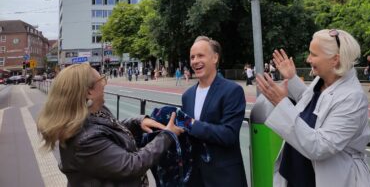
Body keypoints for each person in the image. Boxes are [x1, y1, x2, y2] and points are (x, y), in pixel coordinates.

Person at [256, 29, 370, 187]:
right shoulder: (324, 81)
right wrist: (291, 78)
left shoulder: (352, 98)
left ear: (335, 60)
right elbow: (313, 105)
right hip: (298, 176)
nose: (308, 59)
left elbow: (319, 147)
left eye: (314, 54)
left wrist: (280, 104)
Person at [36, 63, 184, 186]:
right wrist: (167, 135)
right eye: (101, 79)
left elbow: (110, 129)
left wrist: (137, 122)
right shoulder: (85, 140)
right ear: (89, 92)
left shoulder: (92, 112)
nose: (104, 83)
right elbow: (132, 165)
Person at [181, 36, 247, 187]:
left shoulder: (232, 91)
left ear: (215, 58)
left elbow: (229, 134)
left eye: (200, 55)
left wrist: (191, 124)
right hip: (195, 179)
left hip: (224, 179)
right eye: (192, 57)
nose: (195, 61)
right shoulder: (187, 96)